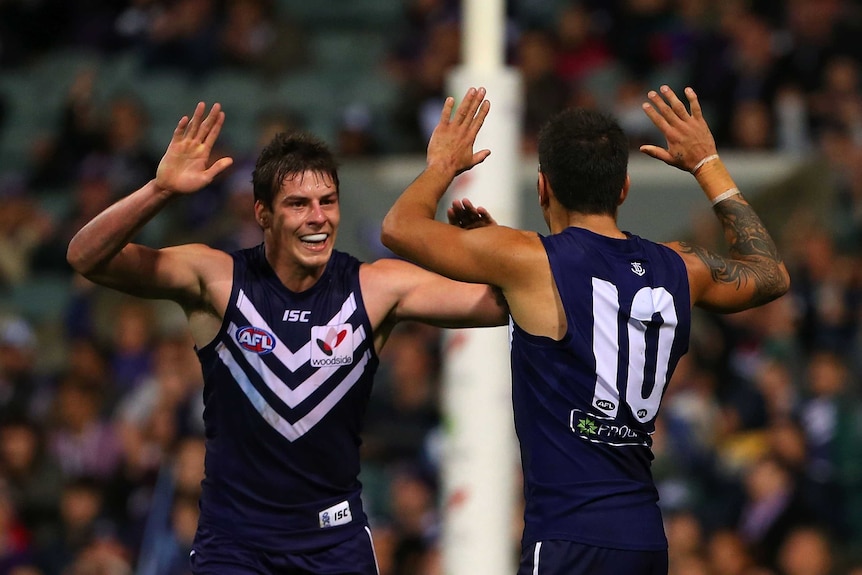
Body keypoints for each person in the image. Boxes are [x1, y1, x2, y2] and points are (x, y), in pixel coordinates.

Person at [66, 102, 507, 573]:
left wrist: (491, 249)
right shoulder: (217, 280)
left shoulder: (377, 289)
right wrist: (158, 190)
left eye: (328, 201)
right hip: (234, 544)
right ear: (263, 214)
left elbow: (503, 304)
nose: (318, 217)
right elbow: (86, 257)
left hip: (334, 543)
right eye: (298, 204)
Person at [380, 85, 790, 574]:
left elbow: (400, 227)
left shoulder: (529, 261)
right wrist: (706, 164)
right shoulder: (682, 266)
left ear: (542, 187)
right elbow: (770, 273)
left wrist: (444, 166)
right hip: (643, 539)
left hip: (567, 537)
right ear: (623, 189)